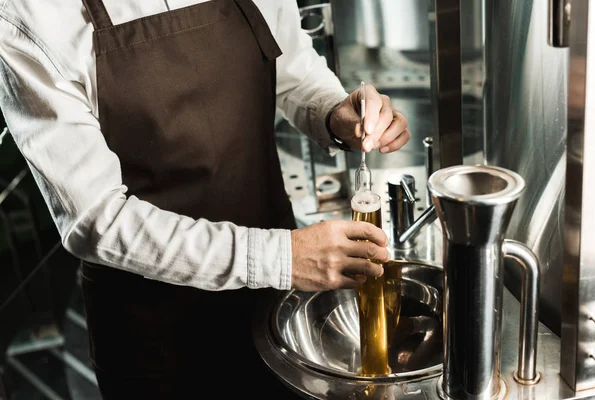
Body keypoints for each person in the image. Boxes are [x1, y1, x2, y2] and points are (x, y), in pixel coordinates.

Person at [0, 0, 411, 398]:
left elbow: (291, 68)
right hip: (156, 331)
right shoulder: (31, 14)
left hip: (275, 304)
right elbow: (95, 220)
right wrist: (282, 258)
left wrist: (334, 113)